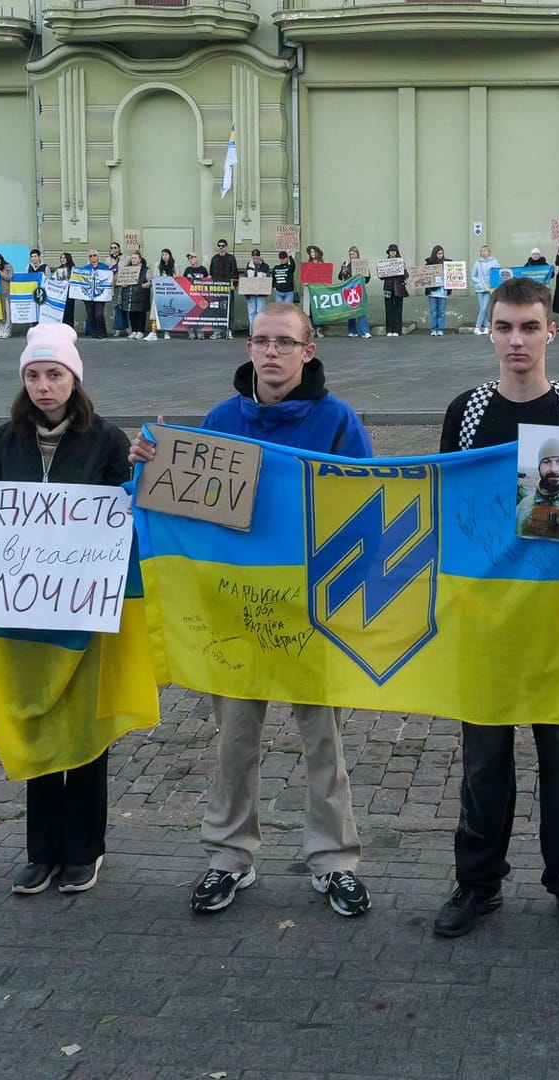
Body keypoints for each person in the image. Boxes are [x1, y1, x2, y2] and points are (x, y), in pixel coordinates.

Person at [128, 302, 376, 918]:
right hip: (235, 609)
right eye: (261, 340)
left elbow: (370, 502)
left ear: (308, 351)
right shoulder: (219, 420)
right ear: (248, 349)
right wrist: (148, 467)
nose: (271, 352)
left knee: (325, 743)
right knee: (234, 740)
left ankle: (334, 860)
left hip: (313, 611)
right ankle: (228, 857)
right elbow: (186, 510)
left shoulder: (339, 421)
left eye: (284, 343)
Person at [0, 322, 134, 894]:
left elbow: (125, 518)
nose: (44, 386)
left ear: (74, 379)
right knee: (34, 718)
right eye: (34, 375)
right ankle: (42, 850)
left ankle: (85, 848)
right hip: (24, 610)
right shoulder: (4, 439)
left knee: (85, 725)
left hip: (83, 610)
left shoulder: (108, 441)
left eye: (55, 374)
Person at [434, 275, 559, 944]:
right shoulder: (468, 409)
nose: (517, 340)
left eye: (529, 328)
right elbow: (447, 504)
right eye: (505, 327)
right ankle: (477, 884)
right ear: (489, 330)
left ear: (550, 332)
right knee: (483, 761)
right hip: (483, 613)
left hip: (556, 617)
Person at [208, 238, 238, 339]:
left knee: (229, 309)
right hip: (217, 287)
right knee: (217, 309)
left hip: (228, 287)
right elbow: (211, 272)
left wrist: (234, 284)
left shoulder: (231, 258)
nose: (221, 247)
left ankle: (229, 331)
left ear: (226, 247)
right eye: (219, 246)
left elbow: (235, 273)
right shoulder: (214, 258)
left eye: (223, 246)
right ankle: (217, 331)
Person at [117, 251, 150, 340]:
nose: (133, 260)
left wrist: (144, 285)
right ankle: (134, 331)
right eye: (132, 258)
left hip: (140, 294)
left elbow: (149, 281)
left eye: (135, 258)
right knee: (131, 312)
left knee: (140, 313)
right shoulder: (128, 269)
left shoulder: (145, 269)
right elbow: (122, 280)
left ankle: (140, 331)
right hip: (130, 294)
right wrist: (124, 284)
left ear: (140, 259)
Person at [180, 252, 211, 340]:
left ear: (197, 258)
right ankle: (191, 333)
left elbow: (208, 281)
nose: (191, 260)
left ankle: (201, 333)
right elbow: (183, 281)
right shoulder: (187, 270)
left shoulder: (203, 269)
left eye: (193, 257)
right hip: (190, 295)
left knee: (201, 314)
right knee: (190, 314)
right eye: (189, 258)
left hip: (201, 295)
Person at [80, 249, 109, 339]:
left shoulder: (104, 267)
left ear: (98, 257)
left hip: (100, 295)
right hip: (88, 295)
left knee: (99, 313)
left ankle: (103, 333)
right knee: (90, 314)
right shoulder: (85, 268)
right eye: (91, 256)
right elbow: (81, 281)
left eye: (94, 255)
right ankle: (95, 333)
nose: (93, 257)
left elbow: (108, 279)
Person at [381, 244, 408, 336]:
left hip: (398, 288)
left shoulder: (401, 262)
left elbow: (406, 275)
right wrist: (379, 271)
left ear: (396, 252)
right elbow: (382, 277)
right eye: (391, 251)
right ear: (388, 252)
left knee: (398, 309)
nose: (392, 252)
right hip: (388, 288)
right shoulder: (384, 262)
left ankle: (397, 330)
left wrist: (403, 270)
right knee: (388, 309)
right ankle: (389, 330)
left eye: (394, 251)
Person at [472, 245, 500, 334]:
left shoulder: (494, 262)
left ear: (489, 252)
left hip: (489, 288)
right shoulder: (477, 262)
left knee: (484, 307)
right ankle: (486, 327)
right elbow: (473, 276)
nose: (483, 253)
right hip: (480, 288)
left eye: (485, 251)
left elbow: (498, 272)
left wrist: (494, 285)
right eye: (482, 251)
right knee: (482, 308)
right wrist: (479, 282)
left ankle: (477, 327)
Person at [244, 249, 272, 333]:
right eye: (254, 258)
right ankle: (253, 330)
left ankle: (260, 330)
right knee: (252, 311)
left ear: (260, 257)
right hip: (251, 293)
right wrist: (246, 294)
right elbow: (245, 279)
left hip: (261, 293)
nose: (255, 260)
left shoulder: (265, 266)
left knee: (260, 311)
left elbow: (268, 279)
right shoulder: (249, 266)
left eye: (256, 258)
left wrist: (266, 291)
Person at [425, 245, 451, 336]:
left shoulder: (447, 264)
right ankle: (434, 329)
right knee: (434, 312)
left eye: (442, 253)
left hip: (443, 292)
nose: (440, 255)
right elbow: (425, 276)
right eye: (438, 253)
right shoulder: (429, 264)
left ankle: (440, 329)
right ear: (435, 254)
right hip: (432, 292)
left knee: (442, 312)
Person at [0, 252, 14, 340]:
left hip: (7, 293)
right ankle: (0, 331)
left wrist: (0, 272)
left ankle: (7, 331)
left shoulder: (8, 266)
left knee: (8, 313)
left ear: (2, 260)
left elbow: (10, 278)